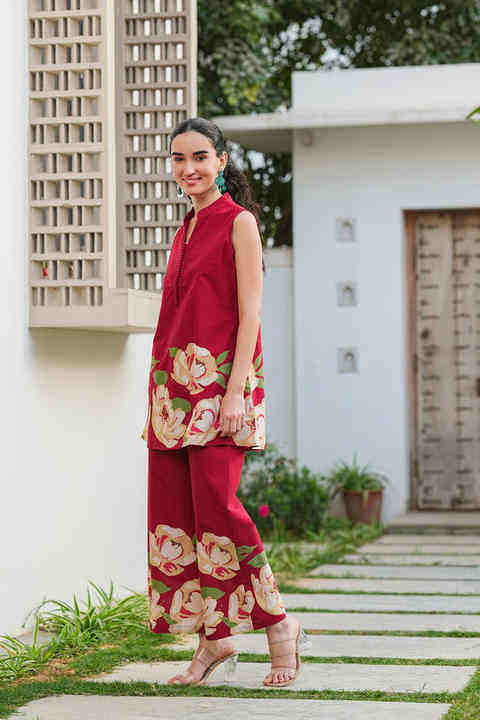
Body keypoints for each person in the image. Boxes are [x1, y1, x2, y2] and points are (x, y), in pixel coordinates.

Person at [142, 117, 309, 687]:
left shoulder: (239, 223)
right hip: (173, 394)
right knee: (178, 515)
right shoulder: (183, 229)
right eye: (178, 158)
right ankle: (212, 639)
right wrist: (158, 398)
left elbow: (250, 312)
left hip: (220, 389)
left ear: (221, 161)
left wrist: (235, 391)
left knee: (219, 507)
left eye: (199, 157)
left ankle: (279, 624)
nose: (188, 168)